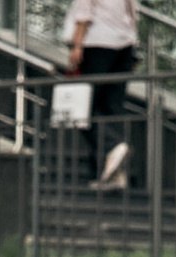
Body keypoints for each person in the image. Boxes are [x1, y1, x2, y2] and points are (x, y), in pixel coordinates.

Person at [63, 0, 139, 189]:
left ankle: (112, 146)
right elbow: (132, 12)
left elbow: (83, 11)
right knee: (111, 107)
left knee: (83, 108)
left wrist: (77, 45)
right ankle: (110, 172)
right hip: (124, 44)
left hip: (96, 42)